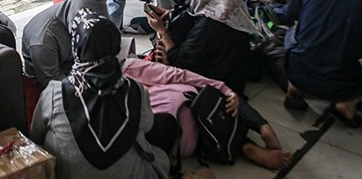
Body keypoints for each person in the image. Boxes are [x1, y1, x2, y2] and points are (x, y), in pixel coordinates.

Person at [30, 9, 169, 179]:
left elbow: (36, 134)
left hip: (69, 174)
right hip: (131, 175)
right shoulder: (135, 90)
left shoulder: (55, 92)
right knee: (165, 129)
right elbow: (147, 126)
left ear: (77, 46)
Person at [123, 58, 293, 169]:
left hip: (174, 143)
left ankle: (242, 146)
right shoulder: (128, 67)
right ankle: (257, 129)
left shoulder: (106, 82)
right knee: (221, 97)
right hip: (200, 110)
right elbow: (179, 70)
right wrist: (223, 88)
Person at [145, 0, 257, 94]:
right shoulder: (224, 4)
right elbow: (190, 14)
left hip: (220, 83)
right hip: (231, 68)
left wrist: (161, 31)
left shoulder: (210, 25)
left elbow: (180, 63)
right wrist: (170, 14)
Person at [22, 0, 108, 89]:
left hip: (75, 65)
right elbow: (53, 81)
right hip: (51, 82)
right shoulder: (43, 39)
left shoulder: (77, 8)